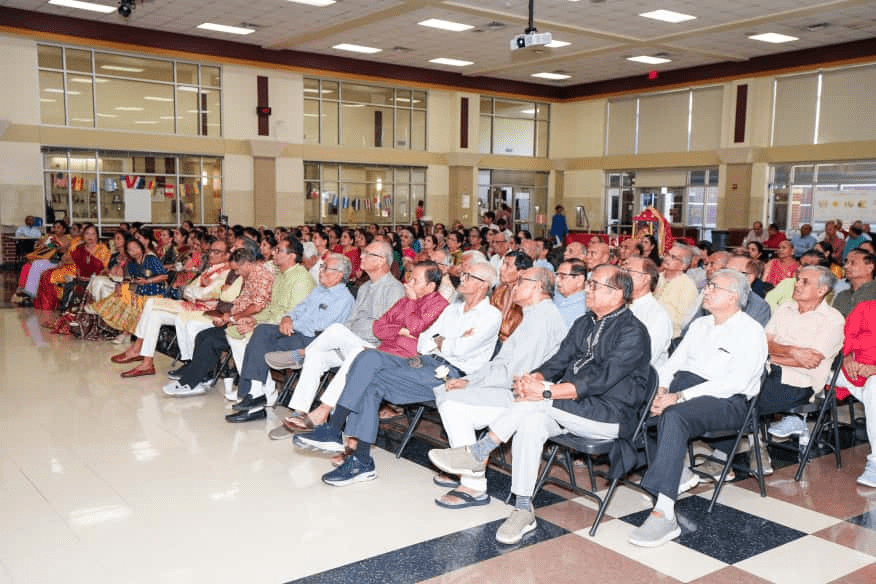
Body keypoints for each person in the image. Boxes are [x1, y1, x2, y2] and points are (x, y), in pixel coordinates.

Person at [428, 264, 651, 545]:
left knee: (536, 402)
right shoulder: (585, 322)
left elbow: (601, 381)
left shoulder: (633, 331)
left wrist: (546, 392)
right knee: (530, 420)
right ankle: (523, 508)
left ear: (618, 293)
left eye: (594, 285)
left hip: (611, 414)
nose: (587, 289)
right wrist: (535, 378)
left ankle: (479, 451)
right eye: (590, 284)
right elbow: (559, 360)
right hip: (574, 407)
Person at [293, 261, 496, 485]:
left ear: (483, 285)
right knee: (366, 358)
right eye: (463, 275)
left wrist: (441, 341)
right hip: (424, 361)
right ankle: (340, 436)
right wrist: (443, 341)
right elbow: (424, 342)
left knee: (369, 377)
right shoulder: (453, 309)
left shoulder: (490, 315)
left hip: (452, 375)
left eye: (469, 276)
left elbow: (460, 349)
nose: (462, 279)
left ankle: (353, 452)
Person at [629, 269, 767, 548]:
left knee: (674, 416)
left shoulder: (751, 331)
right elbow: (673, 363)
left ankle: (664, 511)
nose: (707, 290)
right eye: (708, 285)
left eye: (714, 287)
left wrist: (679, 397)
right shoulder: (701, 325)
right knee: (637, 406)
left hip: (728, 401)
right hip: (686, 389)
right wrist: (663, 389)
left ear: (733, 297)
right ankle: (677, 473)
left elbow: (734, 383)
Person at [431, 267, 569, 508]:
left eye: (521, 282)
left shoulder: (543, 319)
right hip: (512, 390)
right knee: (449, 395)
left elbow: (515, 373)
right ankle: (471, 474)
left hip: (528, 400)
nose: (514, 287)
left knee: (453, 401)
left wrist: (471, 381)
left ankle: (473, 482)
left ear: (537, 287)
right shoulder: (534, 314)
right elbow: (502, 364)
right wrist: (471, 379)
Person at [267, 241, 406, 435]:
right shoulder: (365, 287)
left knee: (342, 339)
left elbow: (386, 330)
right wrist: (347, 334)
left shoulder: (394, 289)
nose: (362, 257)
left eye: (367, 254)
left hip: (376, 349)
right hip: (354, 343)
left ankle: (303, 355)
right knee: (320, 355)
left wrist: (348, 333)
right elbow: (352, 321)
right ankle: (300, 411)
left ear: (382, 261)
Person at [226, 253, 355, 421]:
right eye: (321, 267)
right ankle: (255, 393)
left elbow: (319, 327)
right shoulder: (319, 290)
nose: (320, 271)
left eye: (325, 268)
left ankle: (255, 403)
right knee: (262, 331)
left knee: (262, 344)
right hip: (295, 330)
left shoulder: (343, 299)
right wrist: (287, 318)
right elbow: (298, 309)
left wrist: (292, 324)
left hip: (313, 340)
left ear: (339, 274)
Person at [109, 238, 232, 377]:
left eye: (217, 252)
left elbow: (206, 293)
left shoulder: (227, 272)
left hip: (205, 311)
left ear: (227, 255)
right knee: (152, 309)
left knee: (152, 306)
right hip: (193, 304)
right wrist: (194, 293)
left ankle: (137, 349)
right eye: (211, 251)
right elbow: (188, 290)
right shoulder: (211, 268)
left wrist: (194, 293)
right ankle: (146, 361)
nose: (211, 254)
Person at [762, 267, 844, 467]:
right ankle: (756, 448)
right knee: (733, 393)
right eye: (798, 280)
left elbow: (810, 361)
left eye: (804, 282)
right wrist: (792, 351)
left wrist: (771, 357)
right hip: (769, 371)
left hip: (800, 384)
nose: (797, 284)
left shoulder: (832, 319)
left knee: (742, 399)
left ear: (821, 290)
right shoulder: (784, 309)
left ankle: (757, 451)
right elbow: (763, 343)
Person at [91, 237, 168, 338]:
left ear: (141, 247)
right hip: (139, 292)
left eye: (136, 248)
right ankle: (124, 329)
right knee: (122, 294)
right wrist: (121, 285)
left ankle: (126, 332)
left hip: (155, 293)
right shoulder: (131, 264)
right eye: (130, 250)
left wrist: (148, 281)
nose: (134, 251)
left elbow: (165, 276)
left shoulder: (150, 259)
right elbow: (129, 279)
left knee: (132, 301)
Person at [835, 300, 876, 487]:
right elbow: (843, 337)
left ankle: (875, 463)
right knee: (811, 368)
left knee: (874, 389)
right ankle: (798, 417)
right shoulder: (865, 308)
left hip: (872, 376)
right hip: (851, 370)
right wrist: (846, 357)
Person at [623, 256, 672, 368]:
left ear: (646, 278)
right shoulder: (618, 305)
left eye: (629, 271)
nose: (622, 276)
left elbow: (645, 358)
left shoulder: (657, 315)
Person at [654, 243, 699, 338]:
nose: (667, 258)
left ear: (684, 266)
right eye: (667, 254)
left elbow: (683, 320)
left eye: (673, 257)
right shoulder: (656, 278)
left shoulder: (687, 286)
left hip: (670, 336)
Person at [490, 250, 532, 343]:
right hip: (492, 342)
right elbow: (488, 317)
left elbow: (509, 330)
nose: (501, 268)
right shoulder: (499, 290)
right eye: (503, 264)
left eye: (507, 266)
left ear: (521, 272)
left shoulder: (527, 298)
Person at [833, 249, 876, 317]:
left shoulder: (874, 292)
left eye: (853, 263)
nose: (846, 267)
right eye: (846, 263)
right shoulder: (842, 296)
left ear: (869, 268)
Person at [553, 259, 588, 327]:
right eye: (557, 275)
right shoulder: (558, 295)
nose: (557, 280)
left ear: (579, 281)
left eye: (562, 277)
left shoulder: (584, 309)